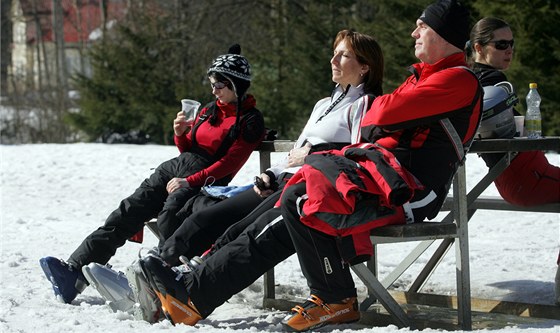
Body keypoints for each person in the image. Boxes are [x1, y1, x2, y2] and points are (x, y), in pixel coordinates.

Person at [81, 29, 381, 322]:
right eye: (334, 53)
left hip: (310, 189)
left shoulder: (364, 104)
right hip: (282, 182)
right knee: (214, 222)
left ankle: (177, 288)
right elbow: (295, 154)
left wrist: (312, 155)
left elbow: (354, 156)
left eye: (343, 55)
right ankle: (160, 275)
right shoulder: (323, 105)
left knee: (246, 232)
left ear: (364, 66)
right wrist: (271, 174)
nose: (333, 60)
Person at [277, 0, 482, 331]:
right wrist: (385, 121)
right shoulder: (421, 78)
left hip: (413, 192)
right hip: (385, 178)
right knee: (301, 188)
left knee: (301, 199)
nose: (414, 33)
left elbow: (380, 114)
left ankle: (336, 298)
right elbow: (376, 122)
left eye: (422, 27)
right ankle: (333, 296)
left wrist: (385, 121)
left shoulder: (458, 79)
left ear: (442, 35)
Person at [39, 44, 266, 305]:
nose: (213, 90)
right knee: (129, 210)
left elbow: (229, 163)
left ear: (236, 85)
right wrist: (180, 133)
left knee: (171, 218)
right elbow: (188, 149)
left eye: (220, 85)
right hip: (175, 168)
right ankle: (74, 272)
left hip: (204, 180)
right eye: (212, 83)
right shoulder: (208, 109)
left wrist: (189, 181)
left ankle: (158, 285)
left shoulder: (250, 120)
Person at [467, 17, 560, 206]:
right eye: (501, 44)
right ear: (478, 48)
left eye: (511, 43)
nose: (509, 49)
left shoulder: (471, 79)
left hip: (516, 175)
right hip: (527, 175)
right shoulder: (492, 81)